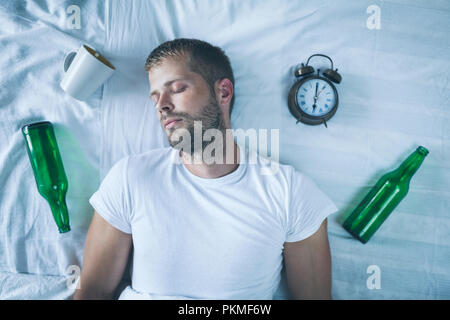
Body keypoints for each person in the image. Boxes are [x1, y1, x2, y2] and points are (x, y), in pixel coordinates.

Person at [73, 38, 338, 300]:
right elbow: (91, 294)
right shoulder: (131, 177)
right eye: (155, 97)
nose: (161, 105)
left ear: (223, 92)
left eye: (176, 89)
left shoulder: (292, 193)